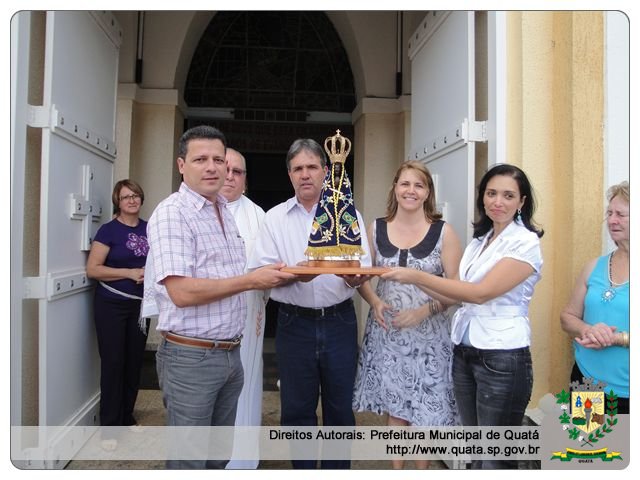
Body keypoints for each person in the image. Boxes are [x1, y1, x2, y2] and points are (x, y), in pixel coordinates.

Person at [146, 125, 294, 469]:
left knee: (216, 459)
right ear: (182, 165)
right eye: (201, 159)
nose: (212, 167)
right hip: (191, 357)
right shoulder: (173, 213)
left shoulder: (223, 213)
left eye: (218, 159)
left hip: (229, 354)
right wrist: (250, 280)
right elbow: (181, 291)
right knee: (190, 462)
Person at [382, 163, 544, 469]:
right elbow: (456, 292)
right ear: (482, 197)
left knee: (495, 457)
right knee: (475, 450)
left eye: (509, 195)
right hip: (466, 351)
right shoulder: (479, 242)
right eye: (491, 193)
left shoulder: (525, 243)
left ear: (522, 202)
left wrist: (417, 277)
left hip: (502, 357)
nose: (498, 201)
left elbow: (480, 293)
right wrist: (411, 299)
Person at [248, 138, 371, 469]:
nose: (305, 175)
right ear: (289, 174)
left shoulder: (347, 213)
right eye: (298, 168)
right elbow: (261, 270)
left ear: (326, 171)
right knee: (297, 409)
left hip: (340, 322)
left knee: (340, 409)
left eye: (312, 167)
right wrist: (293, 275)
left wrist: (354, 278)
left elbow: (361, 265)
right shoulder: (274, 218)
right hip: (293, 323)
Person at [352, 161, 462, 469]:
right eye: (405, 184)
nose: (411, 190)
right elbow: (362, 278)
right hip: (388, 333)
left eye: (419, 185)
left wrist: (423, 311)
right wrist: (374, 302)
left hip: (429, 336)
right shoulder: (376, 228)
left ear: (428, 192)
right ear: (395, 188)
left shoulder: (444, 233)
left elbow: (456, 289)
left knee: (424, 410)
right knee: (396, 409)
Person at [86, 179, 149, 451]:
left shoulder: (150, 229)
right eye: (126, 197)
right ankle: (109, 428)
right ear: (118, 202)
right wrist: (128, 273)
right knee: (114, 363)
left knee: (134, 363)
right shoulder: (108, 231)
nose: (132, 200)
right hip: (111, 304)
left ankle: (127, 418)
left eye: (135, 195)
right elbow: (94, 269)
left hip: (141, 307)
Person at [560, 181, 629, 413]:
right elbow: (568, 317)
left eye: (621, 214)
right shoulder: (594, 267)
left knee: (625, 450)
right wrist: (588, 330)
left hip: (628, 394)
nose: (612, 220)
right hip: (587, 386)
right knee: (587, 447)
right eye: (609, 213)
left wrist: (617, 338)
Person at [220, 148, 269, 470]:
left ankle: (241, 461)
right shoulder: (192, 210)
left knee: (245, 382)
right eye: (225, 169)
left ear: (245, 180)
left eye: (238, 172)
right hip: (200, 321)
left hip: (247, 316)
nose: (230, 176)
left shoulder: (260, 217)